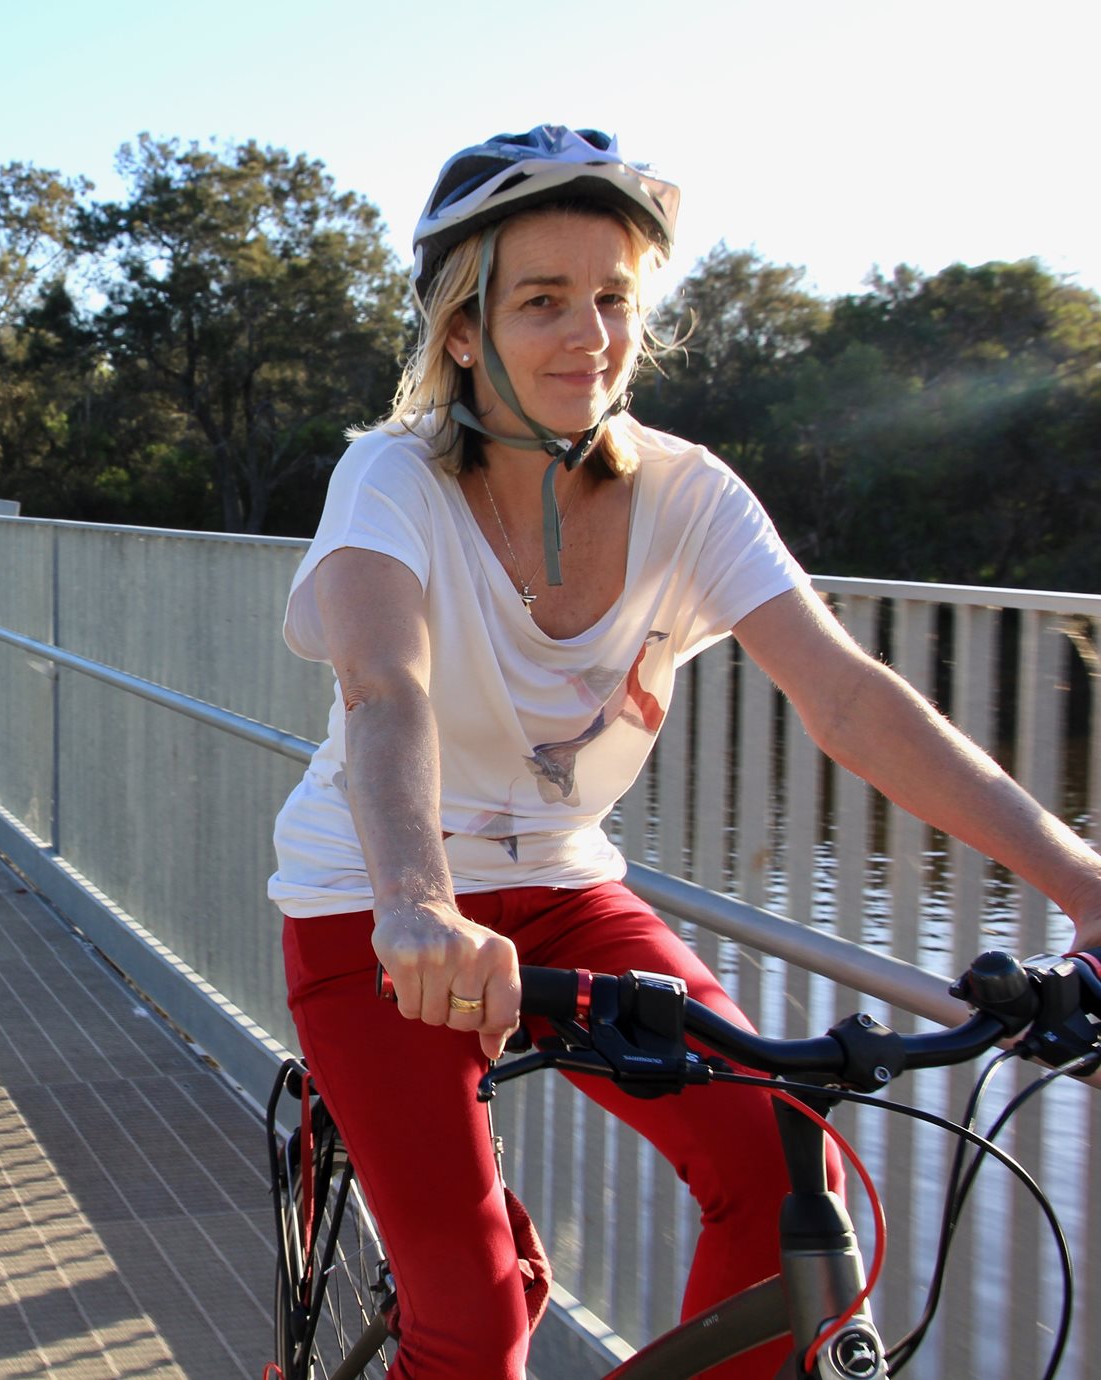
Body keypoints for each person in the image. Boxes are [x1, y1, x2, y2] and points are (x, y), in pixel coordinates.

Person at [268, 126, 1101, 1380]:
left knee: (788, 1184)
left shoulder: (687, 492)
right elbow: (385, 687)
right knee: (473, 1324)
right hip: (375, 903)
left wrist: (1081, 884)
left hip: (563, 889)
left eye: (612, 298)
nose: (589, 336)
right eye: (541, 301)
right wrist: (417, 904)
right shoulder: (388, 478)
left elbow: (847, 698)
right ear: (461, 331)